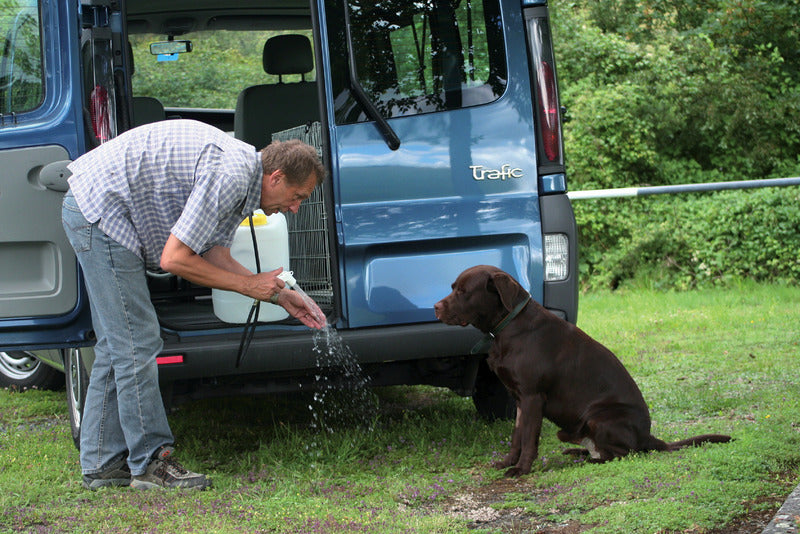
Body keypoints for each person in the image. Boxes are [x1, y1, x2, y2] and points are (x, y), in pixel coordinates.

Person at [61, 119, 327, 490]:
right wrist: (250, 285)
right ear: (277, 177)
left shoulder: (242, 181)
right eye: (298, 196)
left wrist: (279, 294)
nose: (296, 208)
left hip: (99, 208)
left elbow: (209, 250)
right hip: (100, 212)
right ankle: (152, 461)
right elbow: (175, 259)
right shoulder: (232, 174)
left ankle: (102, 464)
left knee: (118, 342)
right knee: (138, 341)